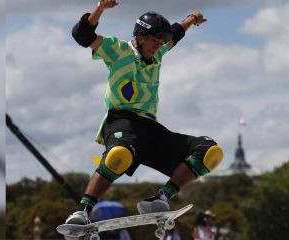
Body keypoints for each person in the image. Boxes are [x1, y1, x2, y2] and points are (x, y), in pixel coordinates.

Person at [64, 0, 224, 229]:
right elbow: (82, 35)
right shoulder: (117, 49)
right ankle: (82, 211)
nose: (157, 47)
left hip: (152, 129)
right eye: (153, 41)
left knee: (209, 151)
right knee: (119, 154)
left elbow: (176, 34)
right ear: (139, 35)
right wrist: (100, 8)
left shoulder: (158, 53)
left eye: (161, 43)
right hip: (121, 122)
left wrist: (192, 18)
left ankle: (160, 199)